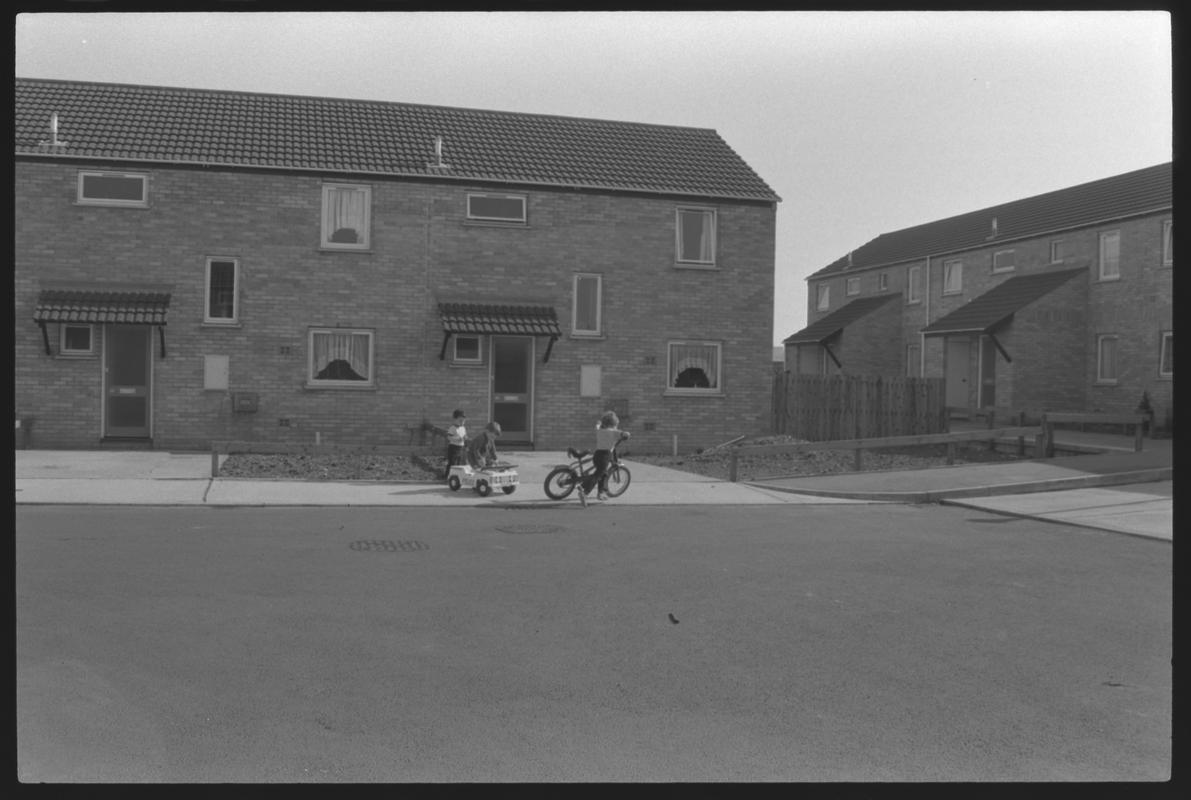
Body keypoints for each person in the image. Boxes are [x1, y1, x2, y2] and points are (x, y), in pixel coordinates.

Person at [580, 411, 631, 504]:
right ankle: (584, 491)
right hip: (605, 456)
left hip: (597, 455)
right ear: (614, 424)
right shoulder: (614, 432)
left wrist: (598, 423)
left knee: (603, 474)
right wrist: (627, 434)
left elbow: (597, 426)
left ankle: (600, 493)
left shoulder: (600, 430)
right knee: (597, 475)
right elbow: (624, 434)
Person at [442, 409, 467, 479]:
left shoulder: (463, 428)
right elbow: (449, 437)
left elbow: (464, 435)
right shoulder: (452, 428)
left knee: (459, 463)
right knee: (452, 463)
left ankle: (456, 477)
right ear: (454, 419)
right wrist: (457, 439)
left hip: (461, 448)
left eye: (463, 421)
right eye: (460, 421)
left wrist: (465, 437)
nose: (462, 422)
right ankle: (447, 476)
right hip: (453, 447)